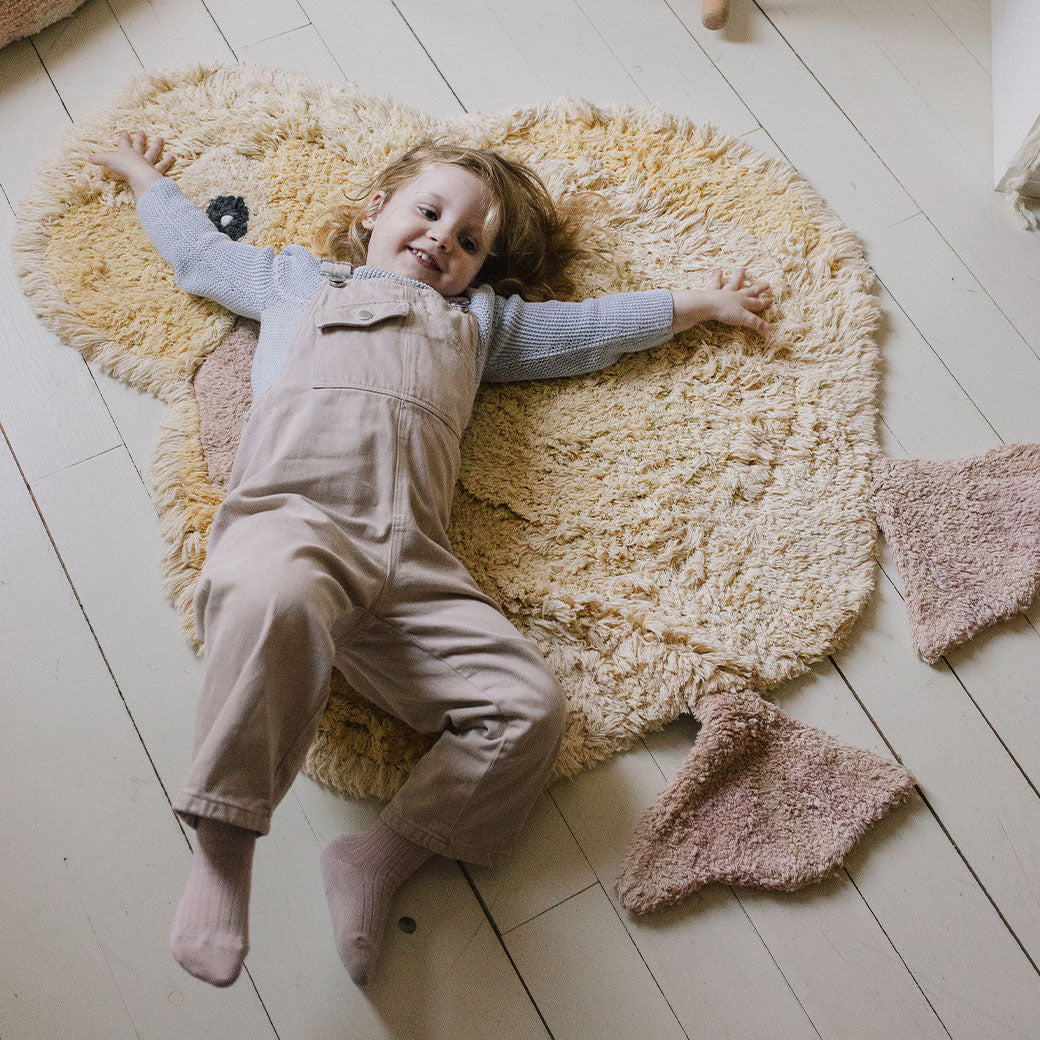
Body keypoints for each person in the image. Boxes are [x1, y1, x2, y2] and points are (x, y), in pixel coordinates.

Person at [88, 129, 773, 989]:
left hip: (414, 565)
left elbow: (589, 329)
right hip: (296, 522)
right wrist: (145, 175)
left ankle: (376, 858)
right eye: (429, 211)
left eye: (469, 241)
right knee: (271, 599)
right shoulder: (297, 281)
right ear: (374, 212)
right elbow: (198, 257)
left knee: (526, 709)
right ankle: (225, 849)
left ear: (480, 269)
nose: (443, 238)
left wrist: (699, 304)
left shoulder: (480, 326)